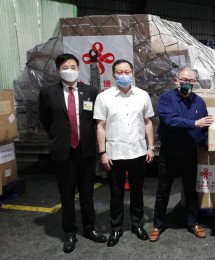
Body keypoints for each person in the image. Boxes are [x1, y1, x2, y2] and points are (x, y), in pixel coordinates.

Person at [39, 53, 107, 253]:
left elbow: (96, 120)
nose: (69, 70)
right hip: (62, 152)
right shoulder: (48, 93)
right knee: (67, 195)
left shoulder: (91, 91)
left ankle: (89, 228)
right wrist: (57, 136)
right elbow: (44, 119)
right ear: (58, 70)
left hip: (85, 151)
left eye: (73, 66)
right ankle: (69, 233)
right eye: (65, 67)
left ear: (78, 68)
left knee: (87, 193)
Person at [93, 59, 155, 247]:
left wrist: (151, 147)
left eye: (127, 72)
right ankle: (116, 228)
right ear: (113, 75)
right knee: (116, 192)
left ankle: (137, 225)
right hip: (114, 153)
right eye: (119, 72)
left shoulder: (143, 95)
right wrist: (102, 152)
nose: (123, 75)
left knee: (137, 191)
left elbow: (148, 122)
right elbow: (100, 126)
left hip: (137, 151)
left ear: (133, 73)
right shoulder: (104, 97)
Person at [149, 66, 213, 242]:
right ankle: (157, 225)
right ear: (176, 80)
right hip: (169, 153)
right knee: (163, 189)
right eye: (183, 80)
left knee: (191, 190)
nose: (187, 83)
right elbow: (170, 120)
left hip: (190, 153)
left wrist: (209, 144)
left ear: (195, 83)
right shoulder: (166, 99)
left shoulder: (199, 102)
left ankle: (193, 223)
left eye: (191, 81)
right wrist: (195, 122)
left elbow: (205, 127)